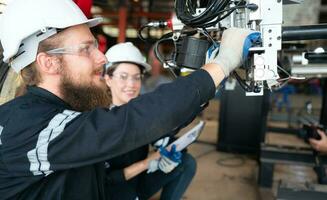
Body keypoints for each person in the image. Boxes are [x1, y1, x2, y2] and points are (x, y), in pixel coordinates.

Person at [0, 0, 256, 199]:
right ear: (49, 62)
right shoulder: (29, 126)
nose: (101, 59)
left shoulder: (52, 115)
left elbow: (133, 125)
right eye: (86, 49)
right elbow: (129, 123)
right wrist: (221, 65)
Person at [103, 42, 196, 200]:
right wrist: (149, 162)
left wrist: (170, 151)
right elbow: (107, 179)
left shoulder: (141, 110)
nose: (131, 85)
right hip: (110, 191)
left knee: (186, 163)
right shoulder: (97, 120)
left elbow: (161, 136)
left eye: (136, 78)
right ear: (108, 79)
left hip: (137, 181)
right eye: (123, 77)